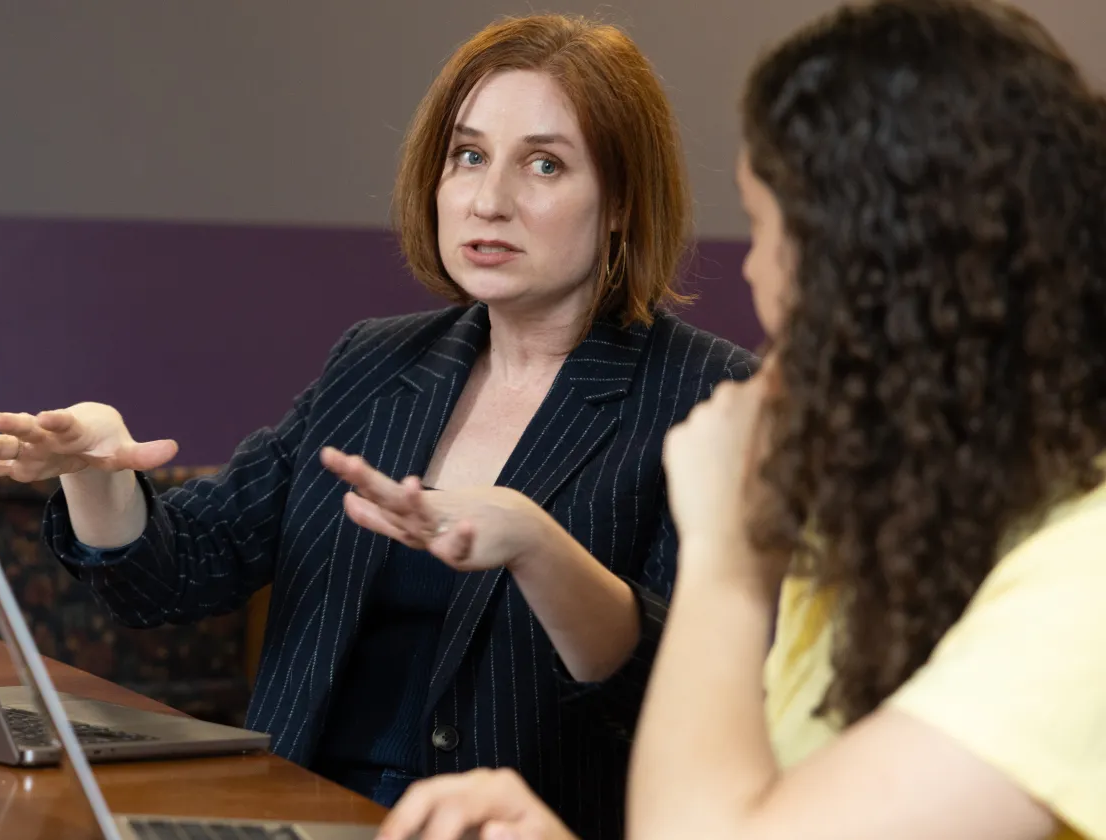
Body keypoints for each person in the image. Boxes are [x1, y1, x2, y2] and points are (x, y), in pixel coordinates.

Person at [0, 13, 754, 840]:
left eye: (544, 164)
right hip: (291, 816)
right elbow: (180, 573)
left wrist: (539, 547)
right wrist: (97, 470)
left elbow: (693, 701)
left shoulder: (711, 397)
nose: (489, 200)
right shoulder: (376, 361)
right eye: (468, 156)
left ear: (622, 202)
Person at [366, 2, 1106, 840]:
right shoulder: (906, 521)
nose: (755, 274)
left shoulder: (1086, 583)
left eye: (766, 230)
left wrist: (727, 549)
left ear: (880, 269)